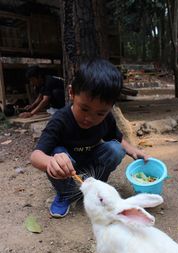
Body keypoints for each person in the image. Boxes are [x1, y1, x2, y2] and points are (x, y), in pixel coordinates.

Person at [30, 58, 149, 218]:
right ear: (72, 93)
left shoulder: (106, 118)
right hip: (67, 170)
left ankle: (96, 188)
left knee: (115, 149)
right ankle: (65, 194)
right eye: (84, 108)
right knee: (58, 152)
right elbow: (35, 157)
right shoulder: (60, 120)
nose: (90, 118)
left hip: (90, 165)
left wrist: (134, 151)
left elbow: (118, 139)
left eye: (100, 113)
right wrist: (51, 163)